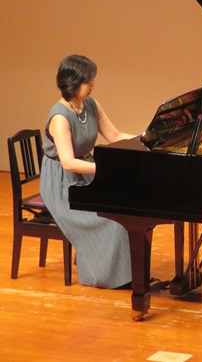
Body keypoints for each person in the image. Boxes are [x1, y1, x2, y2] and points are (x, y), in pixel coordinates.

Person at [40, 54, 133, 289]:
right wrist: (105, 168)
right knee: (110, 221)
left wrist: (146, 139)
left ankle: (123, 272)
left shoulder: (91, 104)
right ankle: (105, 276)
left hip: (86, 171)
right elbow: (68, 162)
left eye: (92, 81)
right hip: (63, 183)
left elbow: (114, 135)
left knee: (124, 209)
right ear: (72, 82)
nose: (92, 85)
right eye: (87, 81)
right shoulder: (60, 117)